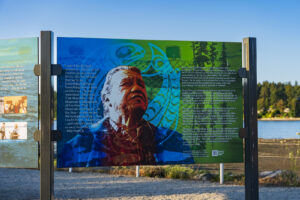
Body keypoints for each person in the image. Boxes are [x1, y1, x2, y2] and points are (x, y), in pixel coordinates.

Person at [60, 66, 194, 167]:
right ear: (107, 99)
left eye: (141, 84)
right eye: (126, 84)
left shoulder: (173, 140)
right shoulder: (79, 144)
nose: (137, 88)